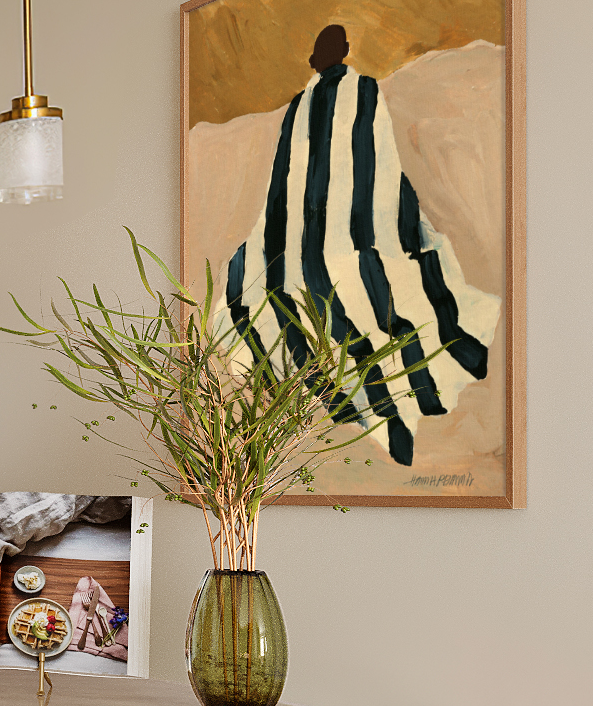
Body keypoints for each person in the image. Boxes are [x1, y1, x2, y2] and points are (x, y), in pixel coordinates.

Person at [214, 24, 501, 464]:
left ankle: (361, 403)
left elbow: (283, 184)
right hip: (361, 233)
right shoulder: (362, 91)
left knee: (300, 301)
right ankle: (409, 395)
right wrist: (401, 218)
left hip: (301, 243)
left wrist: (275, 240)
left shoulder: (300, 105)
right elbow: (379, 163)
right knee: (393, 293)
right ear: (344, 52)